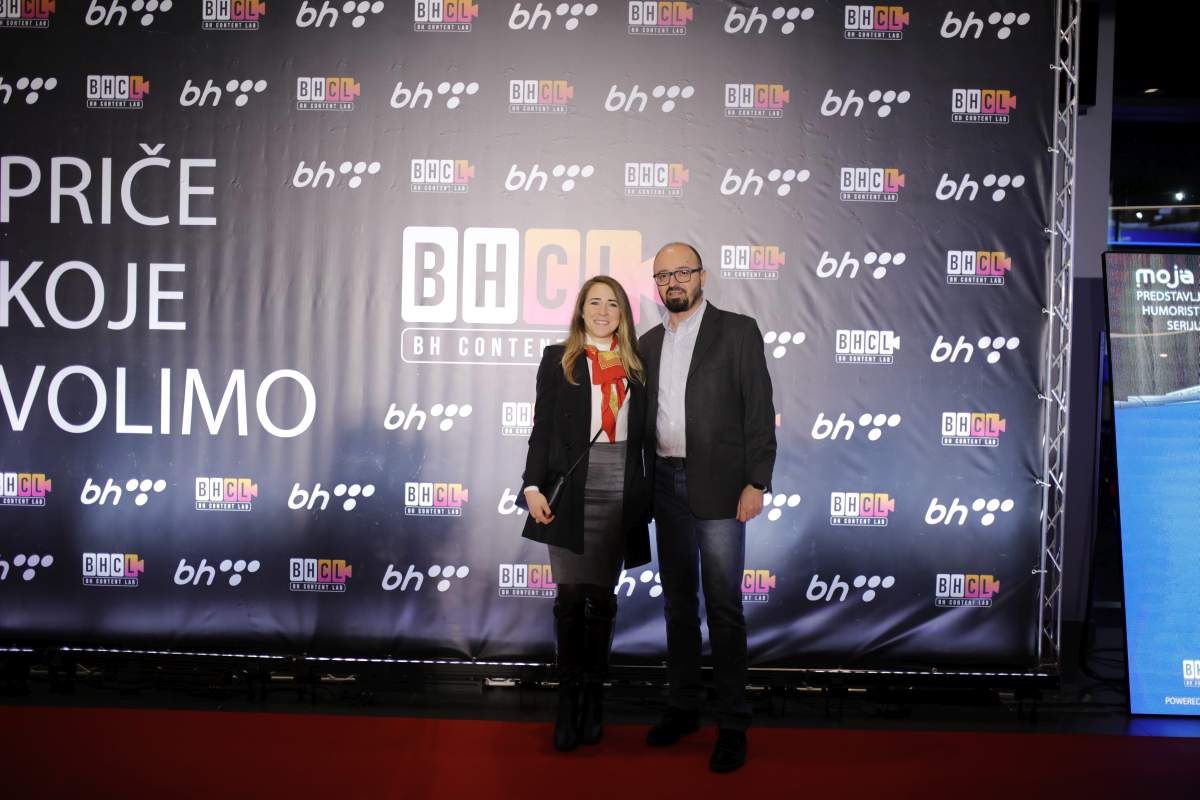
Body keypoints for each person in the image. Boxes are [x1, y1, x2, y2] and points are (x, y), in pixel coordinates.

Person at [639, 242, 776, 773]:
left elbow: (758, 411)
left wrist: (756, 481)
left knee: (723, 607)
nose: (673, 282)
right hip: (664, 485)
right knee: (677, 605)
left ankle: (733, 723)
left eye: (682, 272)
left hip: (721, 487)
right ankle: (683, 708)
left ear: (702, 276)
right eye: (663, 276)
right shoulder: (648, 343)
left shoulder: (737, 332)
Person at [520, 276, 652, 752]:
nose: (602, 311)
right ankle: (567, 699)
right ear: (580, 310)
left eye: (611, 303)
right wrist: (531, 485)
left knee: (601, 598)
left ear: (623, 314)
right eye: (594, 302)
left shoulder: (638, 365)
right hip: (571, 487)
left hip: (619, 485)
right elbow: (541, 429)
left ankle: (594, 697)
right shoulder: (559, 359)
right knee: (570, 597)